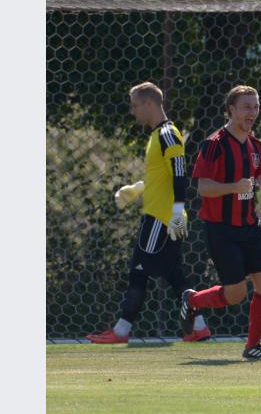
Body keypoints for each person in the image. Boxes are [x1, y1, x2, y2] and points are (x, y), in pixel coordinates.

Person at [181, 85, 261, 360]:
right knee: (236, 294)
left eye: (256, 107)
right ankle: (192, 301)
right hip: (221, 229)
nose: (253, 112)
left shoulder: (256, 147)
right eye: (247, 107)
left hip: (250, 226)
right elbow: (203, 188)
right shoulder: (214, 144)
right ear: (231, 110)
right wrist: (234, 186)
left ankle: (253, 346)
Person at [86, 82, 211, 344]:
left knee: (138, 271)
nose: (132, 111)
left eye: (134, 105)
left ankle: (121, 331)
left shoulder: (167, 134)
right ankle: (199, 326)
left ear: (148, 104)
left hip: (161, 219)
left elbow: (179, 173)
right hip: (164, 215)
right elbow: (164, 175)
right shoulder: (157, 135)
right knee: (174, 275)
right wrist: (138, 188)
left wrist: (177, 211)